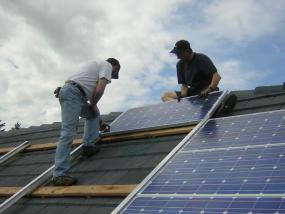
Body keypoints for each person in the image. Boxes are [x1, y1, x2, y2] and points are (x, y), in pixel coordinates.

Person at [52, 58, 121, 186]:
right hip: (74, 94)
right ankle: (59, 174)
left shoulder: (92, 65)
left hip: (73, 93)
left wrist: (98, 122)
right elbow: (99, 90)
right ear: (114, 66)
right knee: (68, 132)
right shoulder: (107, 65)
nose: (111, 75)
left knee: (94, 114)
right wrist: (93, 105)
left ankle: (88, 146)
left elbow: (88, 100)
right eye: (114, 72)